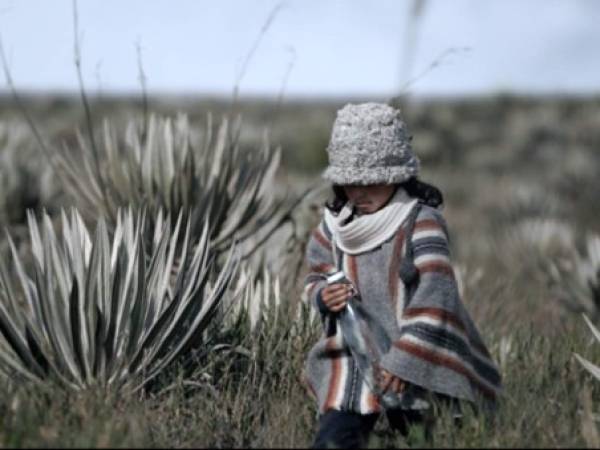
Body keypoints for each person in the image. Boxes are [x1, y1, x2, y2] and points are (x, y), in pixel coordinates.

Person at [302, 103, 502, 448]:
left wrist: (405, 358)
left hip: (415, 350)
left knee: (419, 434)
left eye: (371, 182)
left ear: (397, 175)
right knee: (337, 431)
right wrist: (322, 295)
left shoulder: (419, 220)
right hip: (353, 350)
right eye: (349, 182)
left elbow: (436, 293)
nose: (359, 193)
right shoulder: (333, 227)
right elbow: (314, 277)